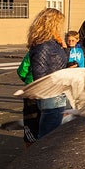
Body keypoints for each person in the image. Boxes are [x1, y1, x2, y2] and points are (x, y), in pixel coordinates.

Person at [27, 8, 70, 139]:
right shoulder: (43, 46)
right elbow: (39, 75)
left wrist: (65, 48)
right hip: (52, 96)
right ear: (53, 24)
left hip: (57, 94)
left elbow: (60, 63)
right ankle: (39, 159)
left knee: (52, 134)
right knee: (47, 137)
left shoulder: (52, 43)